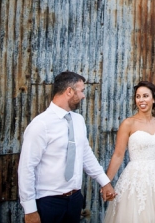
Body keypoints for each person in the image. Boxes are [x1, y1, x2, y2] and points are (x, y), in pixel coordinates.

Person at [18, 71, 116, 223]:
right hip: (48, 202)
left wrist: (104, 182)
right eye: (81, 91)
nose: (83, 96)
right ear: (69, 91)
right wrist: (30, 210)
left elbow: (85, 154)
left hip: (75, 200)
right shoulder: (40, 125)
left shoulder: (78, 120)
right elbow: (26, 168)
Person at [103, 80, 155, 222]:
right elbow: (118, 155)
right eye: (138, 96)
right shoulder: (128, 123)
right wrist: (106, 183)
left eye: (145, 96)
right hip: (135, 179)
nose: (141, 100)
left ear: (154, 99)